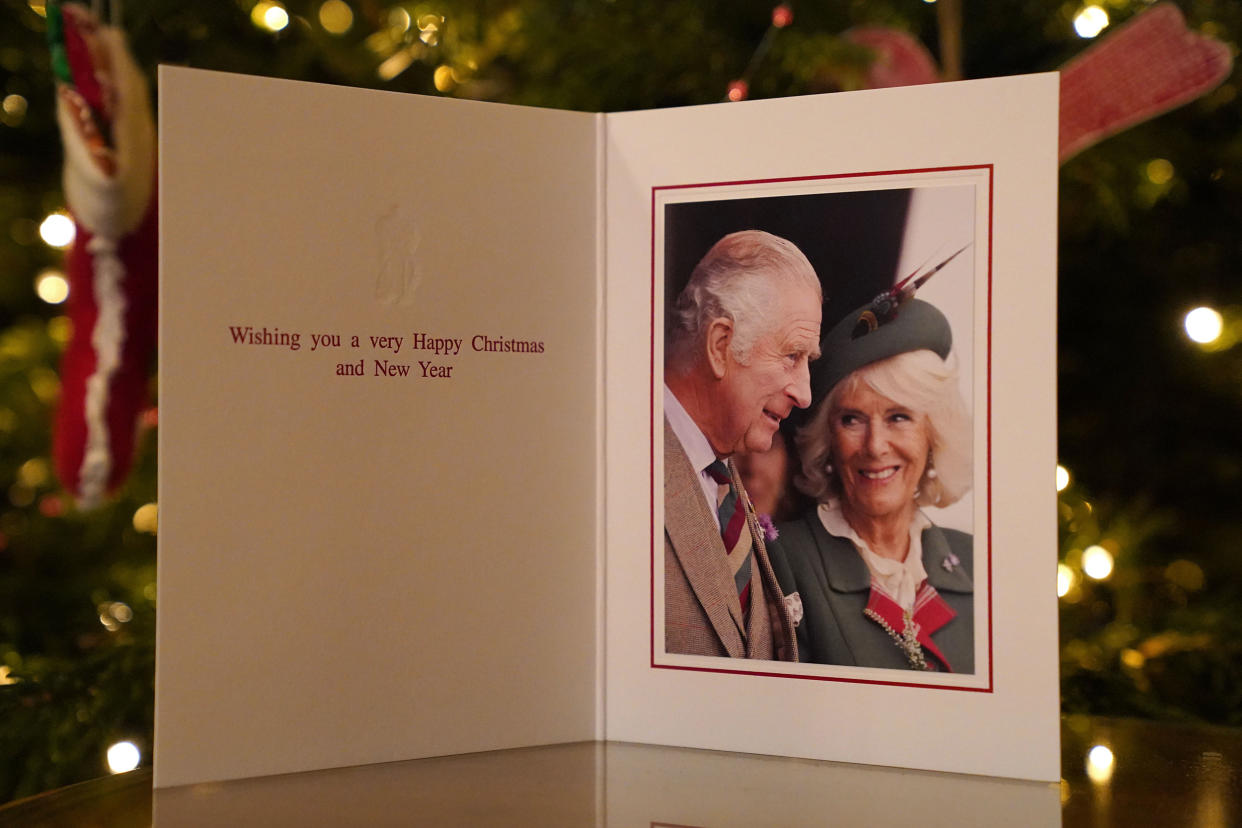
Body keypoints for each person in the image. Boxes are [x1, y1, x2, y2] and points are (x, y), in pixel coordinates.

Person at [774, 296, 975, 672]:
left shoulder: (976, 561)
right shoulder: (784, 558)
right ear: (827, 440)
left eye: (898, 417)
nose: (875, 446)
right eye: (852, 419)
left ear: (934, 435)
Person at [663, 229, 822, 660]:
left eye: (808, 362)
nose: (804, 393)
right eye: (792, 355)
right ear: (720, 345)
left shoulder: (724, 479)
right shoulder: (620, 465)